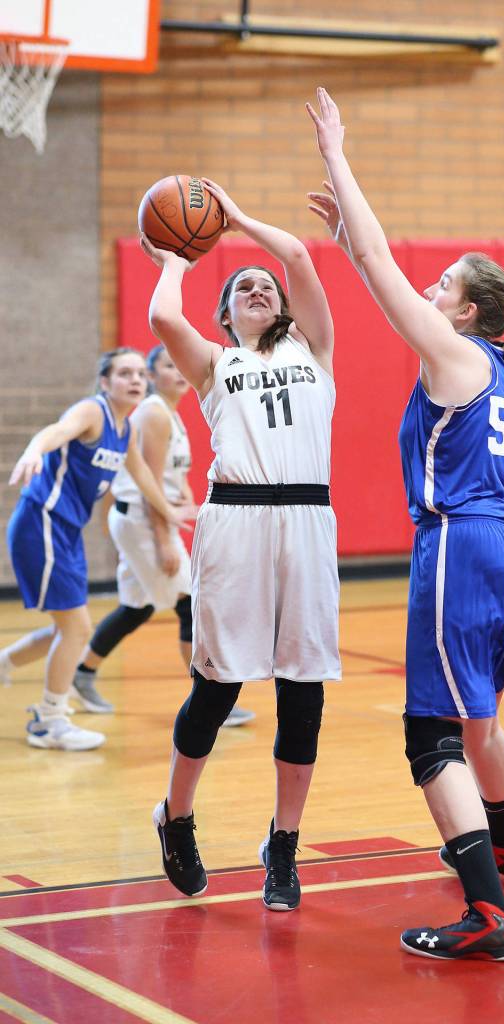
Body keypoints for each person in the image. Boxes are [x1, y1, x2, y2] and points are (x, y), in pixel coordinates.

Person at [307, 88, 504, 961]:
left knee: (431, 735)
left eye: (443, 283)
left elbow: (375, 256)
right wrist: (348, 241)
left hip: (462, 545)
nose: (430, 285)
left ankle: (486, 914)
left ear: (466, 313)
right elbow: (371, 257)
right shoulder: (492, 368)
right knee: (479, 718)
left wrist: (338, 153)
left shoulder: (450, 352)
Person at [140, 179, 340, 908]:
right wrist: (178, 254)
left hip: (307, 525)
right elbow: (164, 313)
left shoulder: (316, 351)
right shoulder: (214, 365)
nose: (257, 285)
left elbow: (293, 252)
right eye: (241, 287)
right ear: (224, 317)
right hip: (236, 522)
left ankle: (282, 847)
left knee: (302, 694)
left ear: (282, 309)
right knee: (218, 687)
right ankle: (177, 816)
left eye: (264, 287)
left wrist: (232, 217)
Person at [2, 348, 192, 752]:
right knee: (77, 629)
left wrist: (169, 514)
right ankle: (49, 721)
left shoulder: (127, 430)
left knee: (65, 629)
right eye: (125, 373)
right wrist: (35, 450)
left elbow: (142, 476)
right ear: (105, 382)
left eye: (141, 373)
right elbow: (56, 430)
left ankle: (4, 665)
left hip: (65, 532)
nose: (136, 380)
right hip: (43, 522)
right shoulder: (93, 411)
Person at [70, 344, 254, 729]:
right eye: (166, 367)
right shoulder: (153, 414)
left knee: (136, 608)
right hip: (143, 521)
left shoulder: (169, 414)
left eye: (178, 365)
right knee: (191, 603)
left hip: (145, 520)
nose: (177, 372)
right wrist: (164, 538)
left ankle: (83, 673)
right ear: (152, 376)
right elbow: (148, 482)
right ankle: (208, 701)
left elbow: (171, 476)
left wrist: (187, 499)